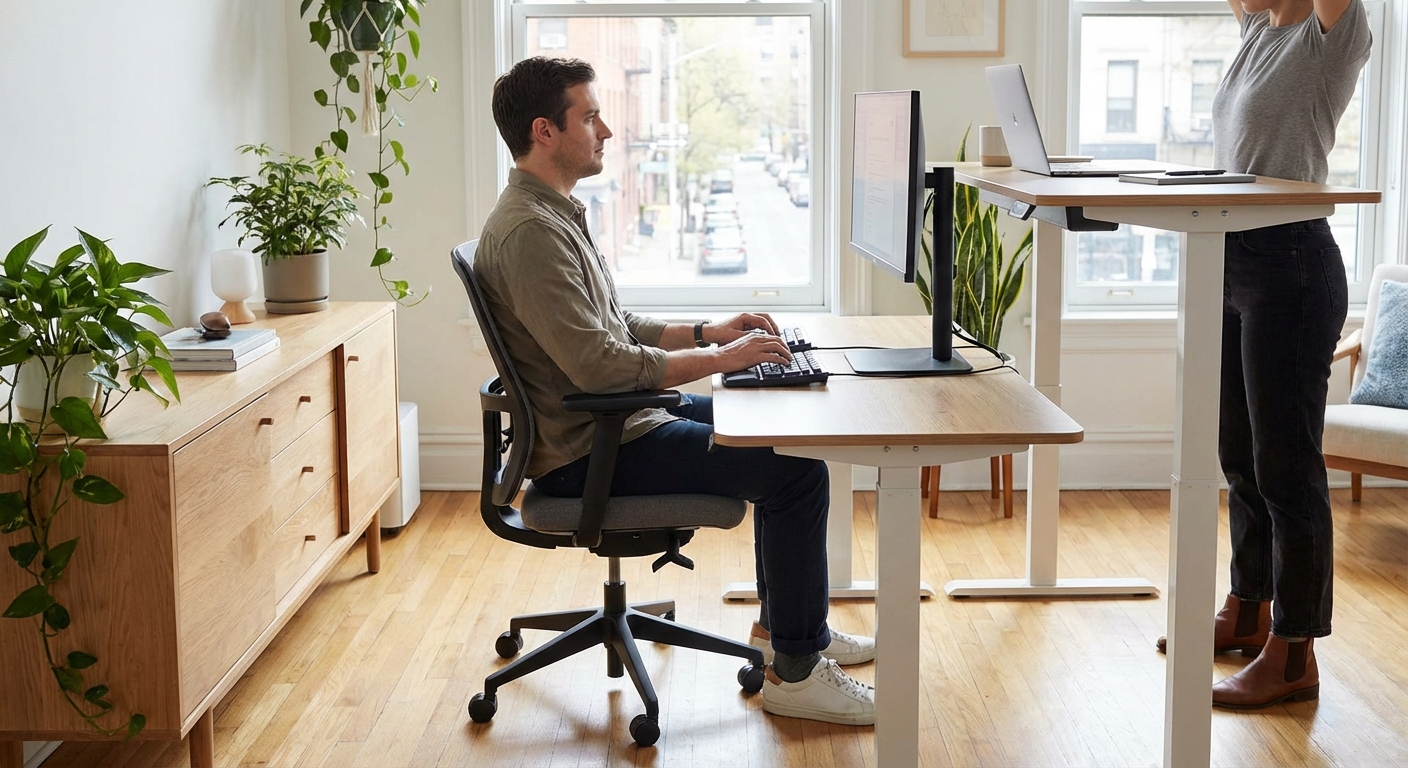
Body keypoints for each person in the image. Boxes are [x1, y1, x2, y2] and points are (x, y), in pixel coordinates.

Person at [475, 56, 877, 726]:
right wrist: (722, 356)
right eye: (590, 115)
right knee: (797, 472)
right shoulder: (531, 234)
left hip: (615, 422)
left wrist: (706, 331)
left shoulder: (551, 213)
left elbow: (613, 325)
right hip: (590, 451)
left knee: (781, 428)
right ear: (544, 131)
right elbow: (601, 366)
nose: (606, 129)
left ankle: (789, 632)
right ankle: (798, 675)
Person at [1155, 0, 1372, 710]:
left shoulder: (1327, 38)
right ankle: (1249, 604)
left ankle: (1295, 648)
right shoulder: (1256, 31)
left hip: (1292, 266)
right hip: (1231, 256)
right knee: (1239, 453)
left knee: (1287, 465)